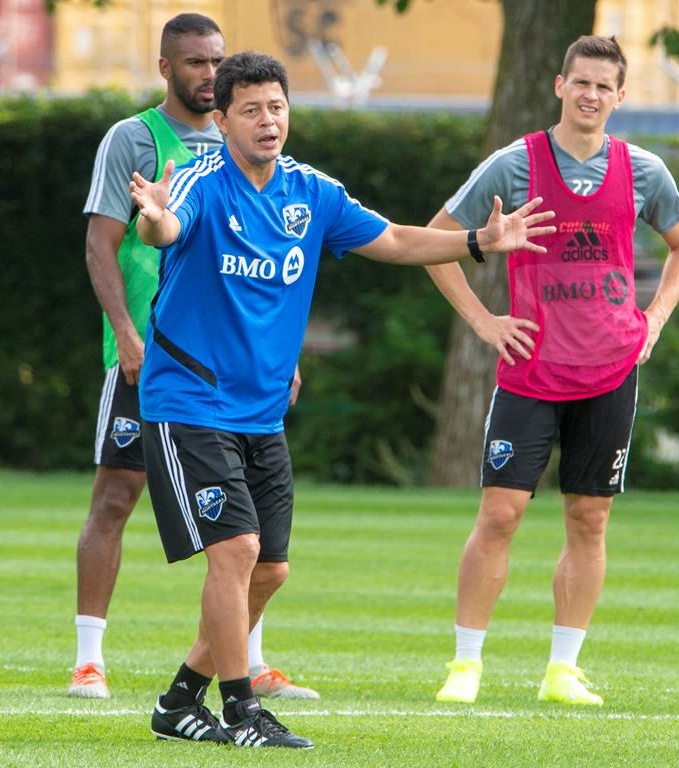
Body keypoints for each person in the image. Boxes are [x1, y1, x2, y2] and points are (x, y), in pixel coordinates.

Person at [129, 50, 555, 748]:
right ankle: (242, 713)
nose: (268, 121)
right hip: (189, 402)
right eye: (251, 110)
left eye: (277, 107)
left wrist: (477, 240)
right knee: (236, 550)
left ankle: (180, 701)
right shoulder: (203, 182)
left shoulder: (312, 192)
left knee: (270, 569)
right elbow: (164, 229)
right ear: (223, 118)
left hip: (261, 412)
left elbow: (391, 239)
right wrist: (152, 217)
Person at [431, 35, 679, 706]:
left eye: (604, 87)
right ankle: (465, 666)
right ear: (559, 85)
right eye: (580, 82)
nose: (590, 95)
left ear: (620, 96)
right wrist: (484, 323)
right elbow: (438, 242)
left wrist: (656, 317)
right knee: (500, 514)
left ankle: (562, 670)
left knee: (590, 518)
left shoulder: (643, 171)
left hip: (611, 369)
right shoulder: (512, 164)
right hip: (530, 371)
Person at [70, 13, 317, 702]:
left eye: (217, 61)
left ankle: (250, 660)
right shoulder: (135, 139)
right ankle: (89, 656)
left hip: (237, 372)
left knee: (252, 532)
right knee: (115, 494)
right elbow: (102, 243)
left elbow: (276, 265)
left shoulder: (249, 133)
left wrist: (282, 354)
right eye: (195, 63)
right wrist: (123, 330)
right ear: (165, 68)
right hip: (153, 354)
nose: (209, 73)